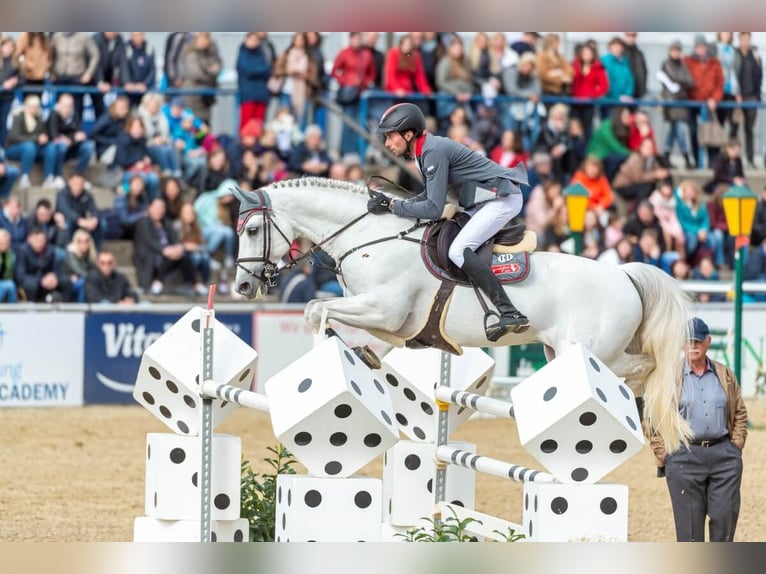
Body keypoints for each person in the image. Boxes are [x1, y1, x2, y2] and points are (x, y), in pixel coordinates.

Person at [368, 103, 529, 340]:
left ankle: (509, 312)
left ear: (408, 133)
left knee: (458, 251)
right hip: (484, 201)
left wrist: (393, 206)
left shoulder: (432, 151)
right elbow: (428, 197)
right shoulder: (424, 152)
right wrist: (392, 203)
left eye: (390, 136)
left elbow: (433, 208)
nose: (387, 144)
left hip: (502, 199)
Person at [651, 317, 747, 542]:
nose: (692, 346)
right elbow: (654, 419)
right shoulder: (668, 377)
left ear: (708, 342)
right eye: (688, 341)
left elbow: (740, 412)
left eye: (698, 341)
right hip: (684, 457)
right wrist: (666, 454)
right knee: (689, 534)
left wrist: (736, 446)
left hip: (724, 456)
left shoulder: (724, 375)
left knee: (724, 524)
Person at [14, 226, 72, 303]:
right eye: (36, 240)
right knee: (30, 285)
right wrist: (40, 280)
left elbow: (57, 268)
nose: (40, 243)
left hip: (48, 279)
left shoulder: (50, 250)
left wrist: (54, 276)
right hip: (33, 279)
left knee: (66, 281)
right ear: (29, 239)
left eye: (42, 240)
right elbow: (20, 275)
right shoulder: (23, 251)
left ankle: (66, 306)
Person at [0, 228, 17, 302]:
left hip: (8, 280)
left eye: (6, 243)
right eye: (1, 243)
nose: (4, 245)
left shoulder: (12, 254)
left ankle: (13, 310)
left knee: (10, 285)